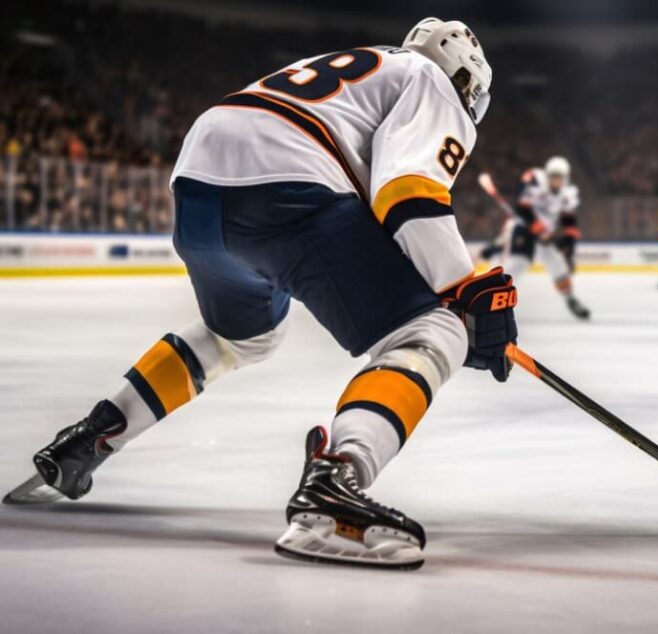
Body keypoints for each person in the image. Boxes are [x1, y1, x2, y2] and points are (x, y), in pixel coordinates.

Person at [4, 18, 518, 571]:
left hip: (199, 187)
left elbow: (376, 198)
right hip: (287, 184)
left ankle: (93, 435)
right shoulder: (434, 81)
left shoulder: (370, 65)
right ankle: (337, 481)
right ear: (468, 80)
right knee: (433, 330)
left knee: (241, 338)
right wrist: (461, 295)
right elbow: (409, 189)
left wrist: (447, 284)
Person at [502, 156, 591, 320]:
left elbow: (568, 220)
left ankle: (570, 299)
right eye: (553, 176)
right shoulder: (535, 181)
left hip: (545, 234)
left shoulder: (568, 193)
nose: (555, 180)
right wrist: (537, 227)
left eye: (559, 177)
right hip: (524, 229)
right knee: (516, 265)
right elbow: (522, 208)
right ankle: (493, 300)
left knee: (559, 265)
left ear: (565, 178)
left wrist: (569, 247)